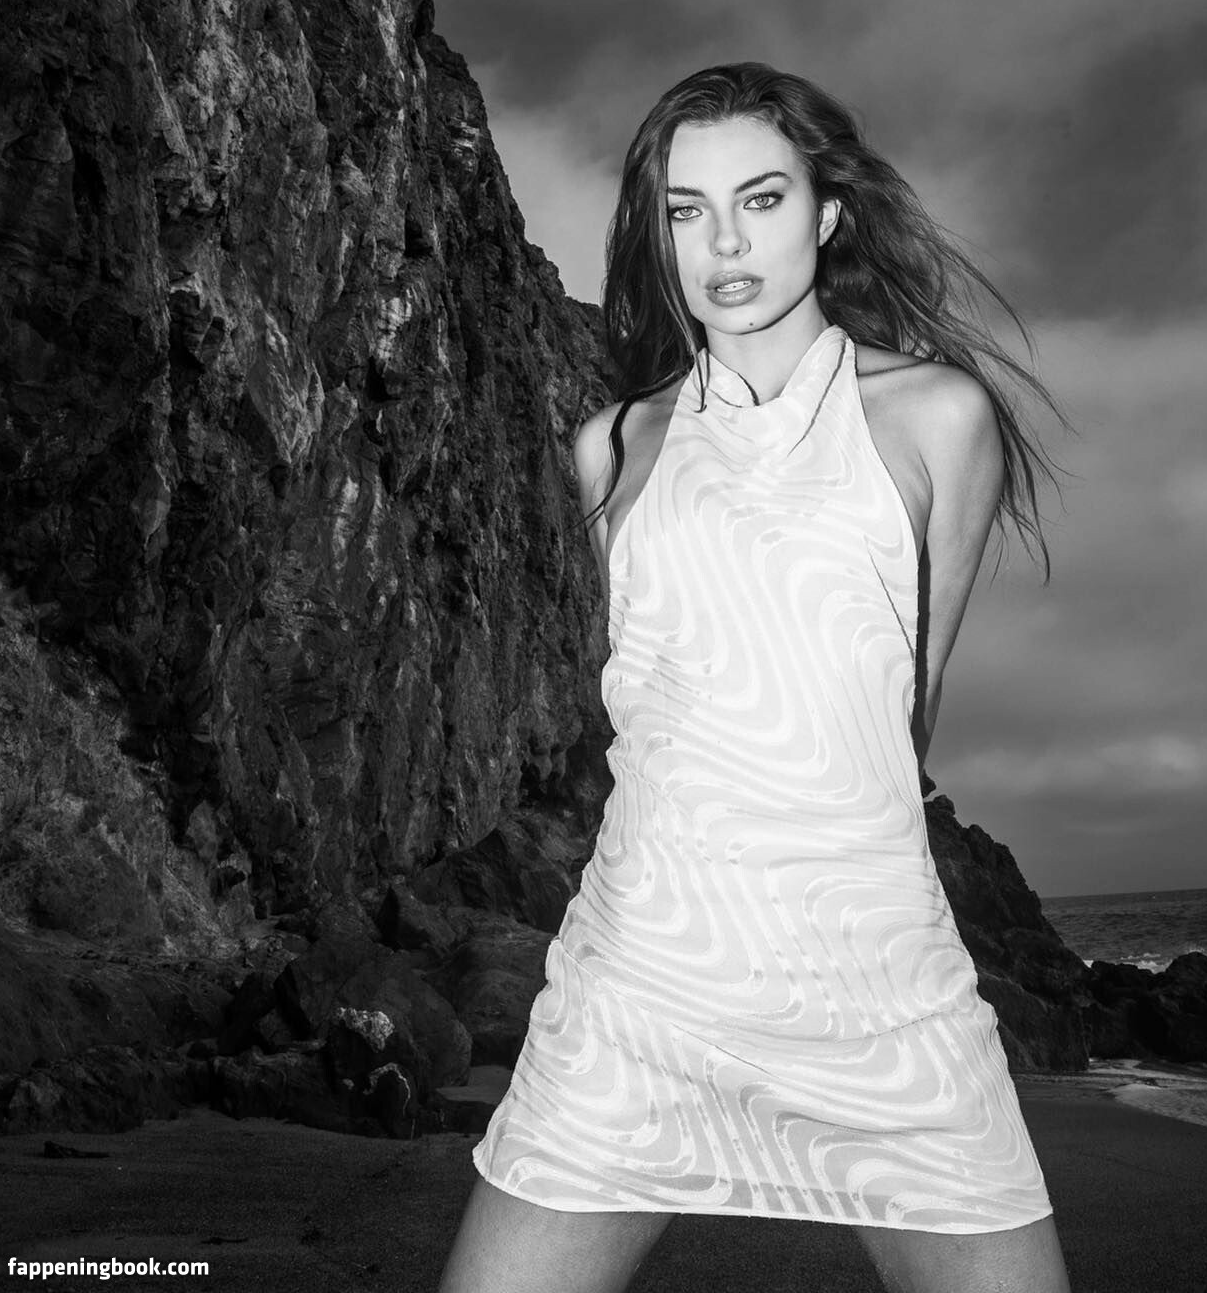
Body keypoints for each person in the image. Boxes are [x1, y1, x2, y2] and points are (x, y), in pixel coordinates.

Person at [439, 63, 1072, 1293]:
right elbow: (660, 696)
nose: (724, 242)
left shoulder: (940, 418)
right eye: (688, 210)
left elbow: (909, 708)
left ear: (827, 213)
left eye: (762, 199)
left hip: (880, 999)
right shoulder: (611, 446)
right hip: (643, 990)